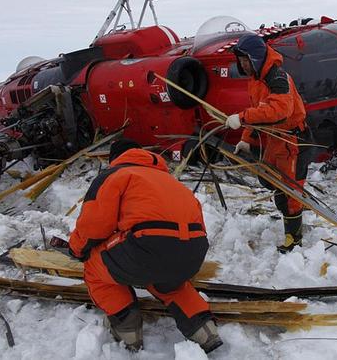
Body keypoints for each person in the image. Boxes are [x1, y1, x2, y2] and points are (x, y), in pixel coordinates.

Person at [68, 138, 222, 353]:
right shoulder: (172, 181)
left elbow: (93, 227)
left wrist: (76, 250)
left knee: (94, 267)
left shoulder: (115, 175)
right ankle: (205, 330)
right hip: (192, 253)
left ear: (115, 159)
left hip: (146, 248)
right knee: (170, 283)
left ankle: (128, 331)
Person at [224, 33, 309, 253]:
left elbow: (280, 111)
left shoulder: (278, 78)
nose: (242, 65)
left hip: (291, 140)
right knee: (269, 179)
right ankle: (287, 215)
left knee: (291, 191)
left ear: (256, 57)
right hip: (275, 139)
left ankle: (294, 239)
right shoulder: (256, 80)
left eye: (245, 60)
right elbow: (260, 112)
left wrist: (241, 118)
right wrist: (246, 139)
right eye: (240, 61)